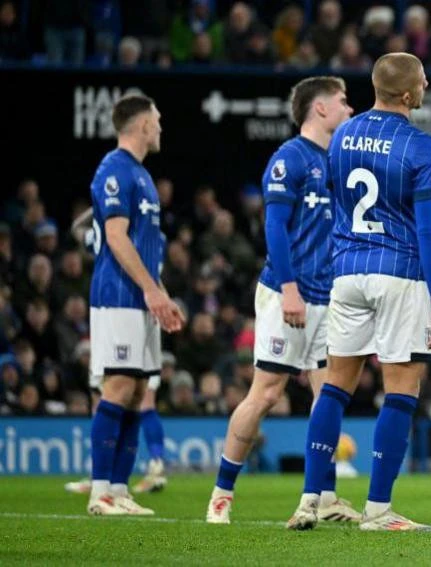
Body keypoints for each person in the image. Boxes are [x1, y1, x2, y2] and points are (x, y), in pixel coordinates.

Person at [284, 52, 431, 532]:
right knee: (401, 390)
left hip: (348, 272)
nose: (426, 86)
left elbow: (338, 202)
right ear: (407, 94)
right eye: (422, 81)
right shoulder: (421, 146)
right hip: (398, 272)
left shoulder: (341, 137)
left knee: (334, 386)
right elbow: (429, 230)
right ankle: (377, 509)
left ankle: (310, 499)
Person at [205, 77, 354, 525]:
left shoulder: (337, 161)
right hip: (288, 292)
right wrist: (289, 288)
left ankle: (325, 497)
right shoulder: (290, 158)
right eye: (343, 101)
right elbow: (275, 226)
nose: (350, 109)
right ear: (320, 108)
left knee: (328, 395)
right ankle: (221, 495)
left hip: (327, 296)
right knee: (267, 393)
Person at [86, 94, 186, 516]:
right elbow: (115, 237)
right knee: (119, 387)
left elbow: (143, 249)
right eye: (157, 120)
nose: (160, 127)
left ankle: (119, 489)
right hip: (118, 297)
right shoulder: (114, 169)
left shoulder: (141, 175)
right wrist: (150, 290)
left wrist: (160, 293)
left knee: (138, 390)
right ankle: (100, 493)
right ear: (143, 124)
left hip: (141, 298)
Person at [63, 209, 169, 496]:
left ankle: (105, 480)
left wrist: (99, 210)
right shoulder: (153, 236)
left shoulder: (112, 235)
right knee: (134, 396)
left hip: (122, 311)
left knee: (112, 396)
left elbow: (76, 228)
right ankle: (117, 477)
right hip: (142, 312)